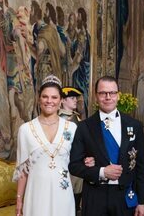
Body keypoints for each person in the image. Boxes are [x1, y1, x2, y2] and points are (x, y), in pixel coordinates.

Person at [69, 75, 144, 216]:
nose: (108, 97)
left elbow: (140, 167)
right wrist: (102, 172)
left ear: (118, 95)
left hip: (124, 196)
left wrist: (142, 201)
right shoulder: (84, 127)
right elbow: (74, 166)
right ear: (96, 96)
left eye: (112, 93)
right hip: (95, 196)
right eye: (103, 93)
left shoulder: (134, 125)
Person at [13, 75, 77, 216]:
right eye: (45, 96)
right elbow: (23, 171)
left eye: (54, 97)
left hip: (63, 194)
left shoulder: (72, 128)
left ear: (60, 100)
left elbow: (77, 162)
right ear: (39, 99)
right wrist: (19, 200)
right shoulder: (26, 129)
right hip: (35, 195)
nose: (49, 101)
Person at [59, 86, 84, 214]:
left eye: (76, 98)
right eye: (72, 98)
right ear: (62, 101)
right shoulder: (62, 119)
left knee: (77, 190)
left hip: (77, 160)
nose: (75, 100)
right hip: (68, 162)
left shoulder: (75, 117)